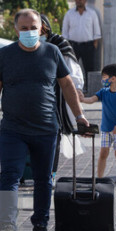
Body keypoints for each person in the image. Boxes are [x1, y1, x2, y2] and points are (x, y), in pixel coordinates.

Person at [0, 9, 88, 231]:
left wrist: (80, 116)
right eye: (24, 28)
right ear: (16, 30)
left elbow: (67, 85)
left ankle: (40, 226)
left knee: (43, 180)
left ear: (42, 28)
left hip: (47, 129)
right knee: (10, 177)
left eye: (33, 27)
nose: (29, 32)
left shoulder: (52, 52)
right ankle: (7, 227)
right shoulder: (5, 54)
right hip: (13, 129)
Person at [40, 14, 85, 186]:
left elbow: (71, 74)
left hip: (55, 100)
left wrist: (76, 91)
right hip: (32, 102)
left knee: (53, 138)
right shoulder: (22, 47)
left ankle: (50, 174)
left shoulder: (59, 44)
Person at [80, 63, 116, 191]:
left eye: (104, 77)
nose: (103, 80)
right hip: (105, 129)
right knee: (103, 153)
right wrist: (81, 99)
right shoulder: (103, 92)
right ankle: (99, 179)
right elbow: (91, 99)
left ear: (113, 78)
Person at [62, 0, 102, 90]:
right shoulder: (69, 13)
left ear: (85, 1)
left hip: (88, 45)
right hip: (73, 45)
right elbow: (65, 31)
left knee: (89, 68)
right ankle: (73, 88)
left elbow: (96, 30)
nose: (78, 1)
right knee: (71, 67)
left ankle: (89, 88)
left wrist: (94, 45)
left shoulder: (92, 13)